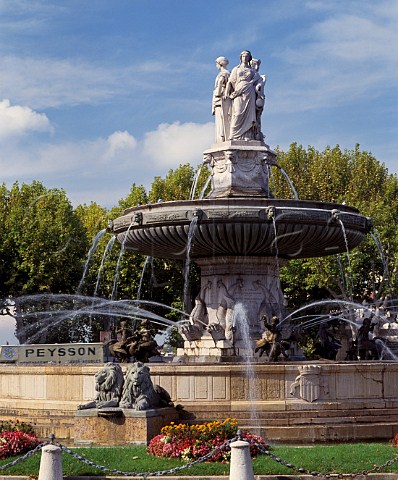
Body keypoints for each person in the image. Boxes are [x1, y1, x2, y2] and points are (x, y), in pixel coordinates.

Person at [225, 50, 260, 141]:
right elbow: (230, 82)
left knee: (249, 114)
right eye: (243, 56)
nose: (245, 57)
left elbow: (258, 80)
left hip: (249, 92)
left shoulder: (252, 70)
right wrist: (226, 92)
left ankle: (247, 135)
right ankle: (233, 134)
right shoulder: (236, 69)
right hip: (238, 91)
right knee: (238, 112)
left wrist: (251, 83)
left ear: (249, 58)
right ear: (241, 58)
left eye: (247, 56)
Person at [212, 56, 231, 143]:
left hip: (220, 99)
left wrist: (218, 93)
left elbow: (220, 82)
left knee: (221, 120)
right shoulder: (229, 73)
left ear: (219, 64)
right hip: (226, 99)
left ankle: (221, 138)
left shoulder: (223, 74)